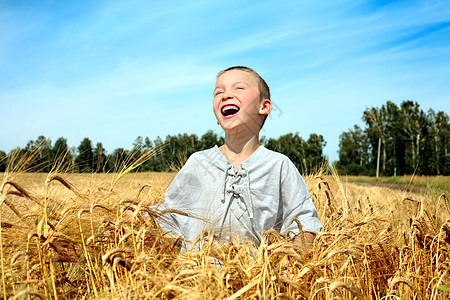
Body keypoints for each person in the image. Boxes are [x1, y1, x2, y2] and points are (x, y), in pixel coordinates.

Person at [158, 66, 322, 251]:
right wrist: (143, 217)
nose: (226, 95)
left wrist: (294, 261)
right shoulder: (198, 162)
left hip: (256, 277)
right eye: (219, 92)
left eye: (239, 88)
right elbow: (171, 216)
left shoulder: (279, 165)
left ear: (264, 106)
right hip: (193, 276)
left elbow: (304, 221)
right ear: (217, 118)